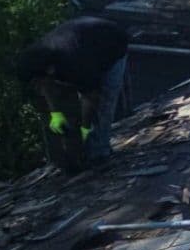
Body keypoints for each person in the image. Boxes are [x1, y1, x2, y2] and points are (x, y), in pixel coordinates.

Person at [14, 16, 131, 171]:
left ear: (49, 71)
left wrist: (85, 127)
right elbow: (46, 86)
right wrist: (55, 113)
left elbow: (91, 97)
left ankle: (99, 153)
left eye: (38, 82)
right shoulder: (39, 57)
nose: (38, 87)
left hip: (112, 42)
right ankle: (86, 152)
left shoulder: (75, 65)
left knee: (105, 102)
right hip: (84, 41)